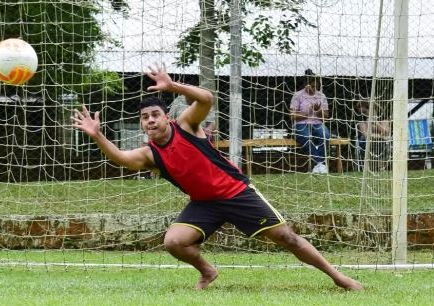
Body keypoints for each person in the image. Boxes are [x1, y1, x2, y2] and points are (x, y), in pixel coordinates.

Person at [73, 64, 362, 291]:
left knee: (287, 238)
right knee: (174, 242)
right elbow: (121, 158)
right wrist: (98, 135)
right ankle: (208, 271)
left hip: (236, 192)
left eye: (155, 114)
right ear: (142, 124)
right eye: (145, 117)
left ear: (165, 117)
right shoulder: (150, 154)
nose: (150, 120)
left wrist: (173, 85)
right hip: (204, 204)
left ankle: (338, 277)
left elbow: (206, 98)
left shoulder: (186, 125)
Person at [290, 69, 330, 174]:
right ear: (306, 85)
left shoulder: (321, 96)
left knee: (325, 135)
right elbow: (292, 116)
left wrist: (318, 111)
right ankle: (319, 163)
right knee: (306, 138)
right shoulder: (297, 95)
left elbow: (326, 117)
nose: (314, 89)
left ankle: (318, 165)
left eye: (316, 86)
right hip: (301, 124)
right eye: (312, 86)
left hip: (317, 123)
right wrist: (308, 111)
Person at [353, 97, 391, 170]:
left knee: (381, 142)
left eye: (363, 108)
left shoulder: (382, 118)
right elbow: (365, 133)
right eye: (359, 107)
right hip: (367, 140)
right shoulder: (361, 119)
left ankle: (380, 166)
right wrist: (368, 120)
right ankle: (366, 166)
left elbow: (385, 132)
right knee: (364, 140)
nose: (360, 110)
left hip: (381, 140)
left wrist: (375, 121)